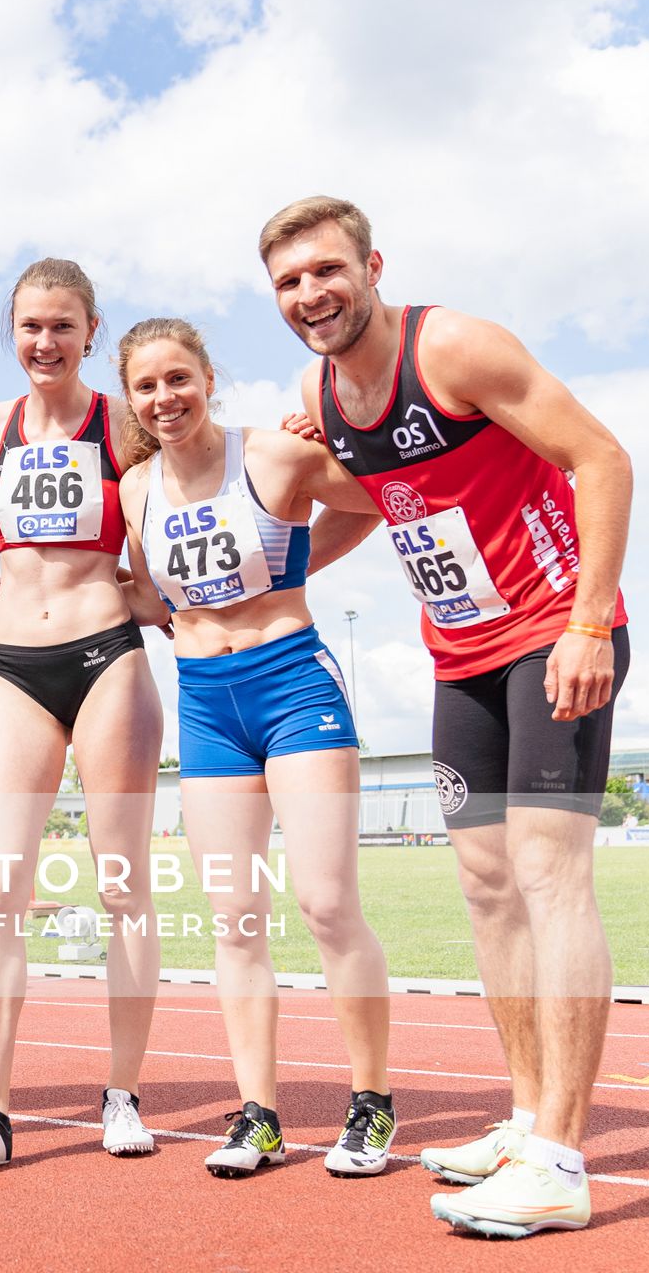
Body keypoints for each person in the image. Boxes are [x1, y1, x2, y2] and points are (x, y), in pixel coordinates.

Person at [261, 196, 631, 1237]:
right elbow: (384, 504)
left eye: (327, 270)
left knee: (551, 872)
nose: (310, 295)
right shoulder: (318, 390)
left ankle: (559, 1157)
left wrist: (590, 624)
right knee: (484, 884)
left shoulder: (454, 347)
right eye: (289, 283)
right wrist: (268, 575)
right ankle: (523, 1119)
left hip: (552, 631)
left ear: (373, 264)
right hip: (458, 652)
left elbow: (601, 457)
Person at [114, 316, 395, 1179]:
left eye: (179, 379)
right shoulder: (136, 488)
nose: (165, 398)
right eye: (146, 386)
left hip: (292, 684)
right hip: (204, 701)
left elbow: (380, 499)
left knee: (324, 903)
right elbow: (141, 589)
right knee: (234, 921)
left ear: (208, 377)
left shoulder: (272, 456)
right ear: (130, 398)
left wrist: (298, 560)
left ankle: (371, 1105)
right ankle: (259, 1116)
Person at [0, 259, 164, 1177]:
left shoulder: (128, 423)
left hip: (107, 658)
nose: (45, 342)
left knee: (121, 890)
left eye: (63, 326)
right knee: (0, 894)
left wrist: (147, 590)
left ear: (92, 330)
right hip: (17, 666)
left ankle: (122, 1095)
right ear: (11, 332)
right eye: (30, 326)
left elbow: (194, 483)